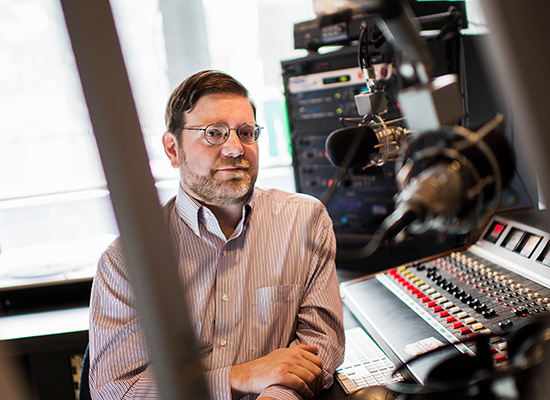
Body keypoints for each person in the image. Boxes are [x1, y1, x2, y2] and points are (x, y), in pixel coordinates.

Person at [88, 70, 345, 400]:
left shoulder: (305, 221)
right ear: (172, 149)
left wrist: (276, 394)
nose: (236, 149)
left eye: (246, 132)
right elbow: (116, 389)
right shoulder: (126, 260)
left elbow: (321, 346)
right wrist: (240, 377)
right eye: (213, 134)